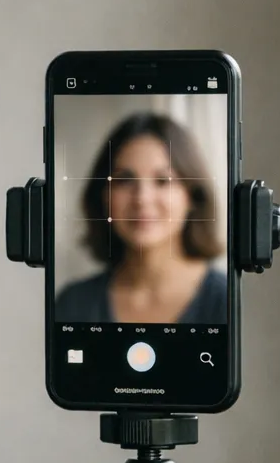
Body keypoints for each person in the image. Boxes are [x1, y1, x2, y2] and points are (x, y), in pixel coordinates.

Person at [55, 112, 226, 324]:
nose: (142, 199)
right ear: (103, 196)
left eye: (163, 181)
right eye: (125, 180)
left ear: (191, 196)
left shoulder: (228, 301)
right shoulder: (74, 304)